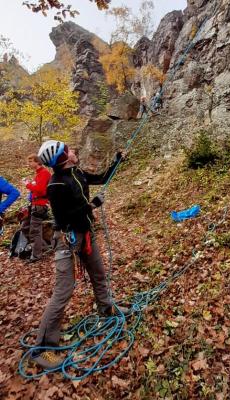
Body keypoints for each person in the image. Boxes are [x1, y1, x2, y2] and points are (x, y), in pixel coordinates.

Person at [31, 140, 128, 369]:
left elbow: (102, 178)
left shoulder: (77, 173)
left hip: (85, 234)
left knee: (99, 273)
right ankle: (41, 349)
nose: (74, 151)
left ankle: (106, 309)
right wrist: (91, 206)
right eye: (69, 150)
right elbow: (64, 218)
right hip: (66, 240)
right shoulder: (56, 185)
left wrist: (117, 161)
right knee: (63, 292)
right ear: (64, 158)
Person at [21, 154, 51, 262]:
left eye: (30, 161)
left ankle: (36, 256)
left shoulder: (44, 173)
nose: (29, 164)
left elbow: (41, 190)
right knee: (25, 227)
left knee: (35, 231)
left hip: (40, 205)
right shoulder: (38, 174)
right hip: (34, 204)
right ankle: (43, 247)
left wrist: (28, 184)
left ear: (37, 162)